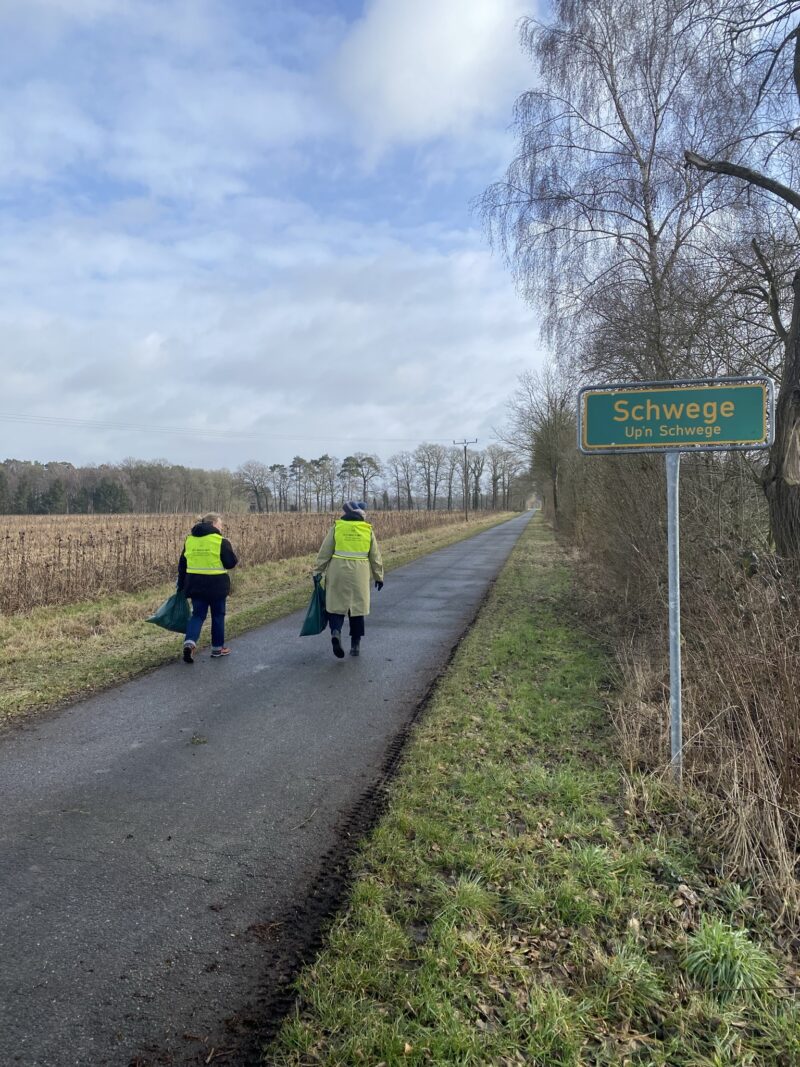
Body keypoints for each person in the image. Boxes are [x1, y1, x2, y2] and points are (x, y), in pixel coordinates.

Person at [313, 500, 384, 658]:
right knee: (357, 609)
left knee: (336, 606)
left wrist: (317, 571)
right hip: (360, 573)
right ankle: (355, 645)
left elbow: (324, 552)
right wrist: (379, 576)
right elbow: (375, 556)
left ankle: (336, 632)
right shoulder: (367, 530)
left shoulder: (337, 527)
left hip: (338, 572)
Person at [177, 513, 238, 663]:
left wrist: (181, 584)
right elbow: (231, 563)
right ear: (213, 524)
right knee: (218, 615)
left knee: (197, 615)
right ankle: (217, 648)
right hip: (217, 585)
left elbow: (182, 565)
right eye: (220, 524)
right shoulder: (220, 541)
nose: (221, 527)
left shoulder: (190, 540)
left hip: (195, 584)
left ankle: (189, 643)